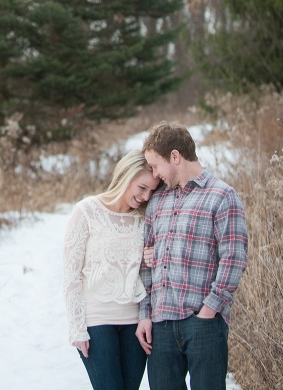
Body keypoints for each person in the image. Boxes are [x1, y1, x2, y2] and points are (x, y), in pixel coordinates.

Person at [135, 122, 248, 390]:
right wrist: (145, 313)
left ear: (175, 157)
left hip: (203, 323)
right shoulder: (158, 201)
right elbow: (145, 262)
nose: (154, 173)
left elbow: (234, 259)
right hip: (161, 326)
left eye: (155, 165)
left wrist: (209, 310)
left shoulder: (222, 196)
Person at [63, 150, 161, 390]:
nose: (145, 196)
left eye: (151, 192)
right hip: (97, 322)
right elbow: (71, 275)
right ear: (126, 176)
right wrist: (77, 328)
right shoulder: (86, 211)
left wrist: (150, 257)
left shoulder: (144, 218)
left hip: (135, 324)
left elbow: (144, 270)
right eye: (142, 188)